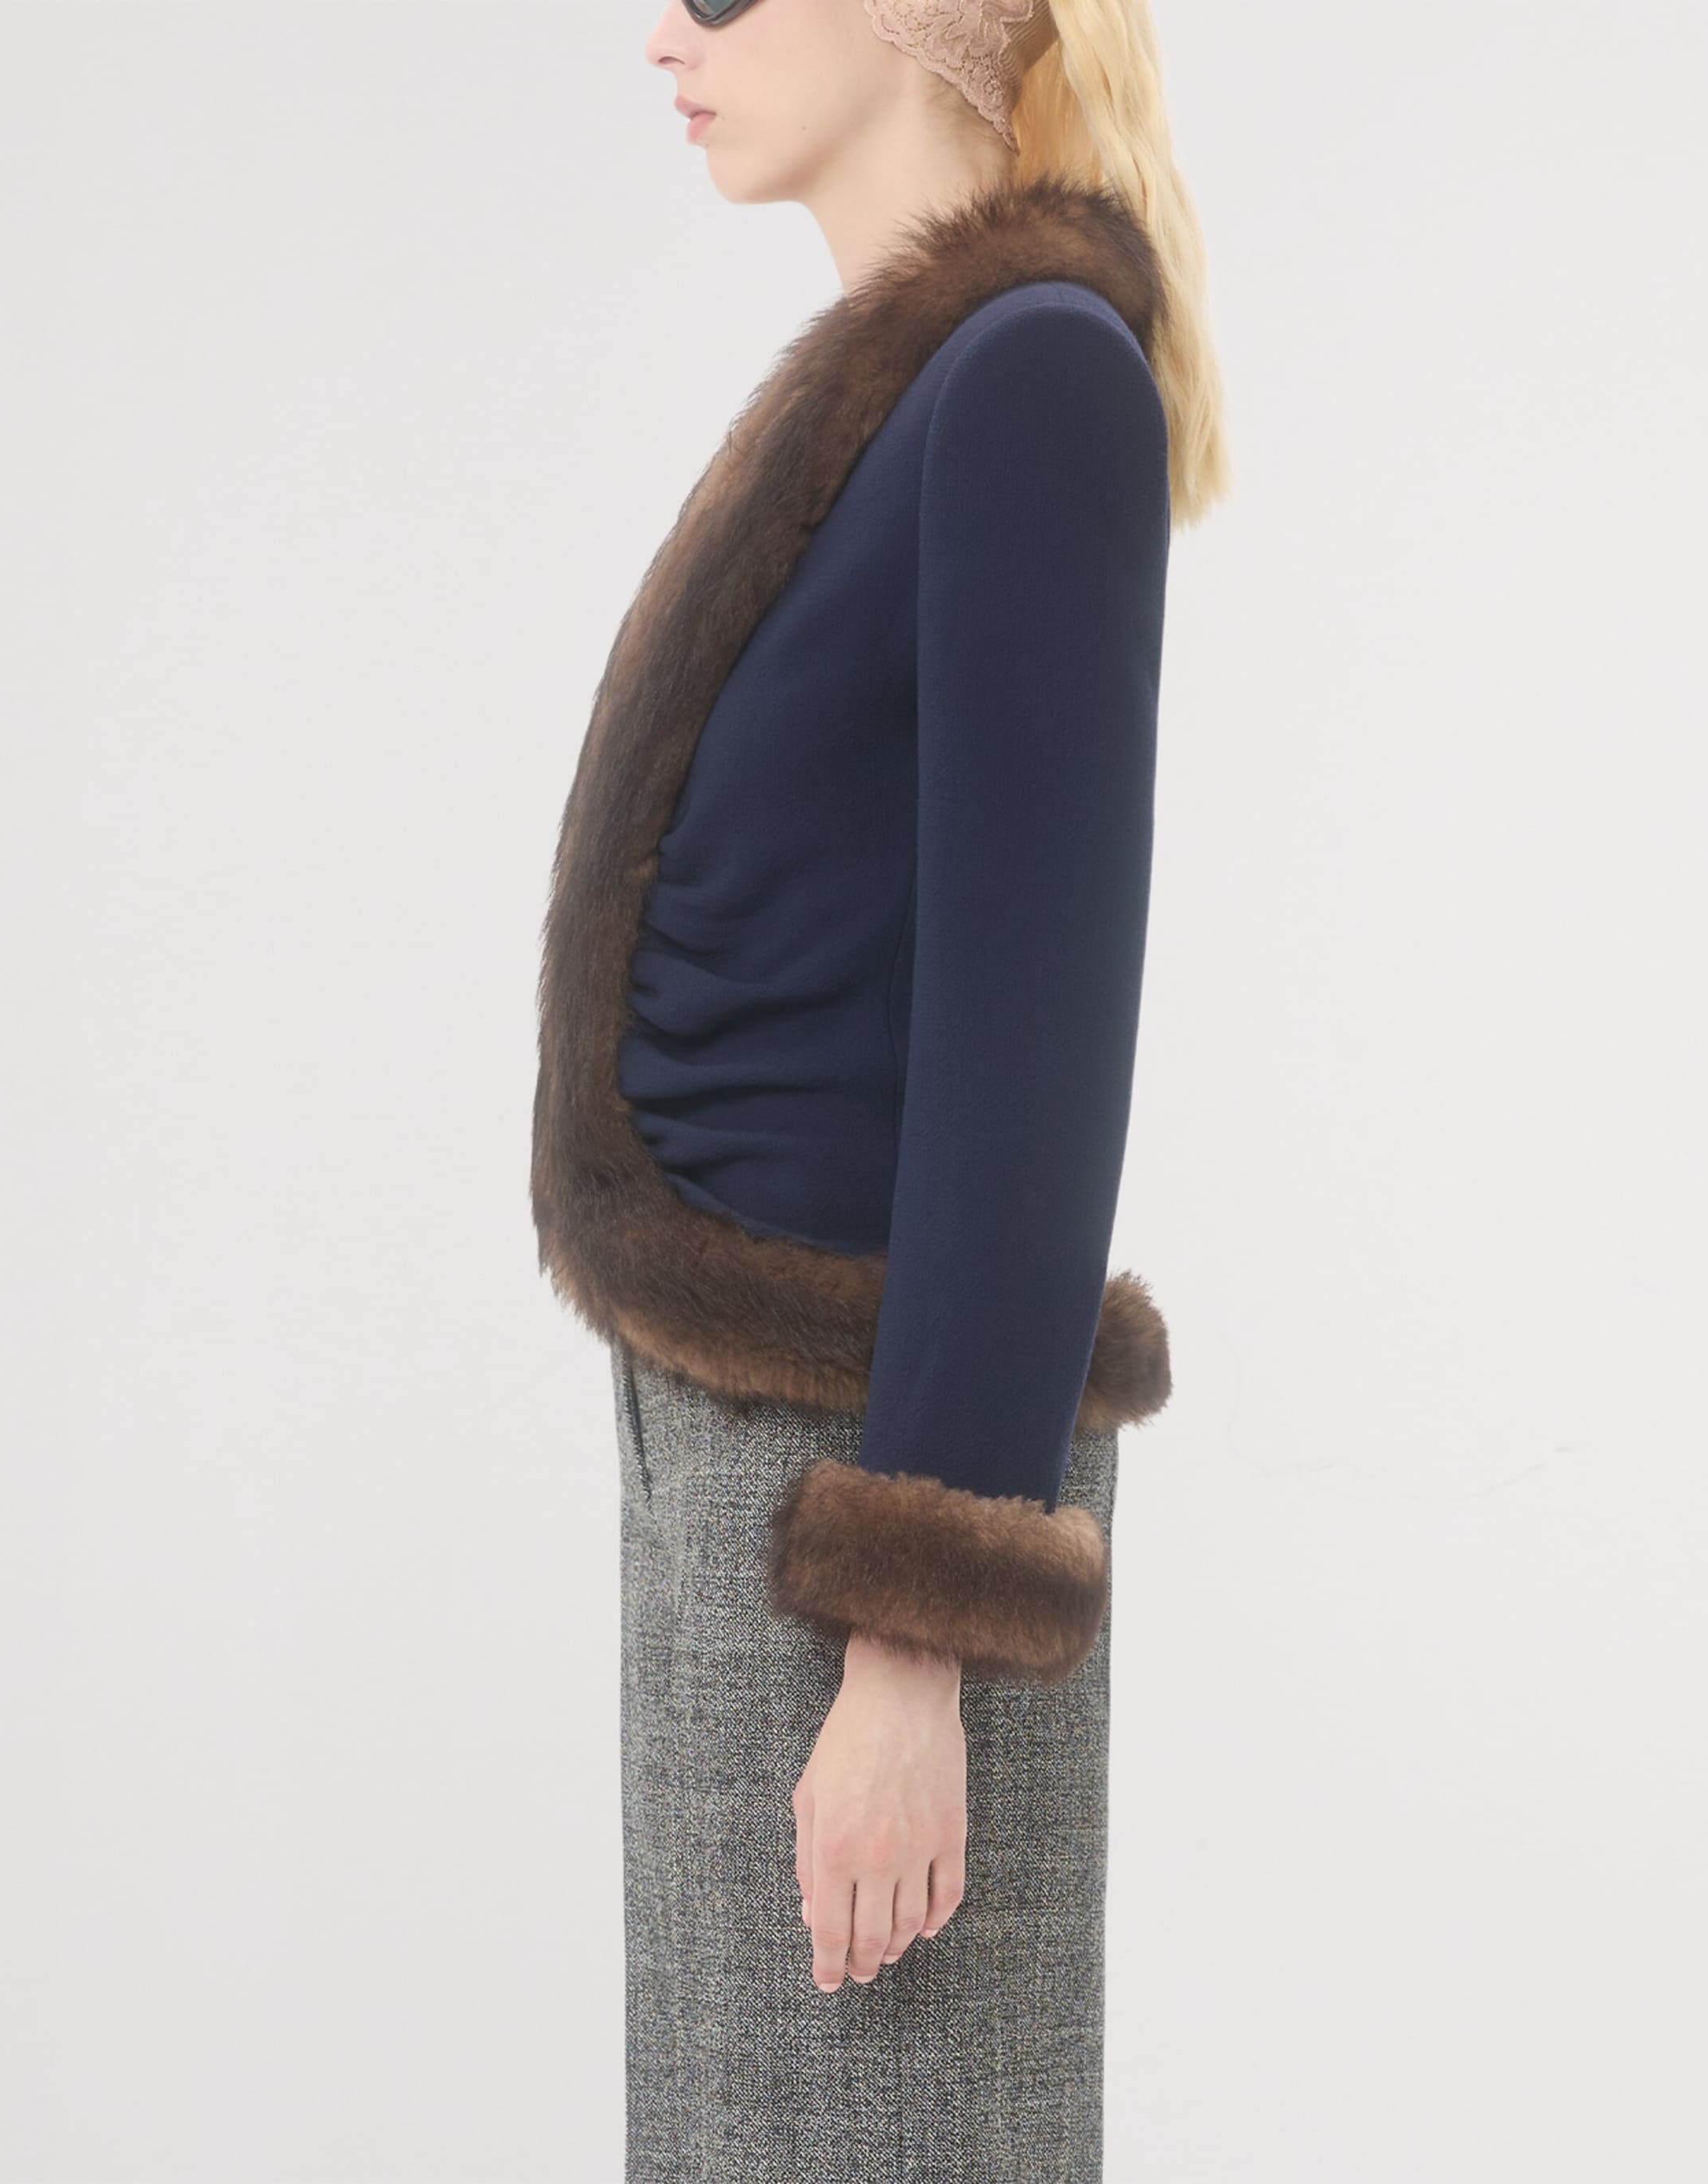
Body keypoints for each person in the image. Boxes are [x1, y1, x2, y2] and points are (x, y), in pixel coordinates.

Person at [531, 0, 1229, 2173]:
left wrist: (918, 1627)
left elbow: (1039, 1014)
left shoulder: (1031, 382)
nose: (665, 35)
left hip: (878, 1483)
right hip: (759, 1466)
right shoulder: (917, 390)